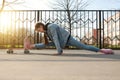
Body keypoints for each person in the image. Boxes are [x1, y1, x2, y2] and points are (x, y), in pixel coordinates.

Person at [24, 22, 114, 55]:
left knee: (84, 47)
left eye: (39, 30)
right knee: (46, 44)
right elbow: (53, 41)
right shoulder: (47, 31)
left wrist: (59, 51)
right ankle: (31, 46)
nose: (39, 32)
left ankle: (103, 50)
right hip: (62, 42)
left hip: (68, 39)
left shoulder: (51, 27)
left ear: (41, 26)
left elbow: (55, 39)